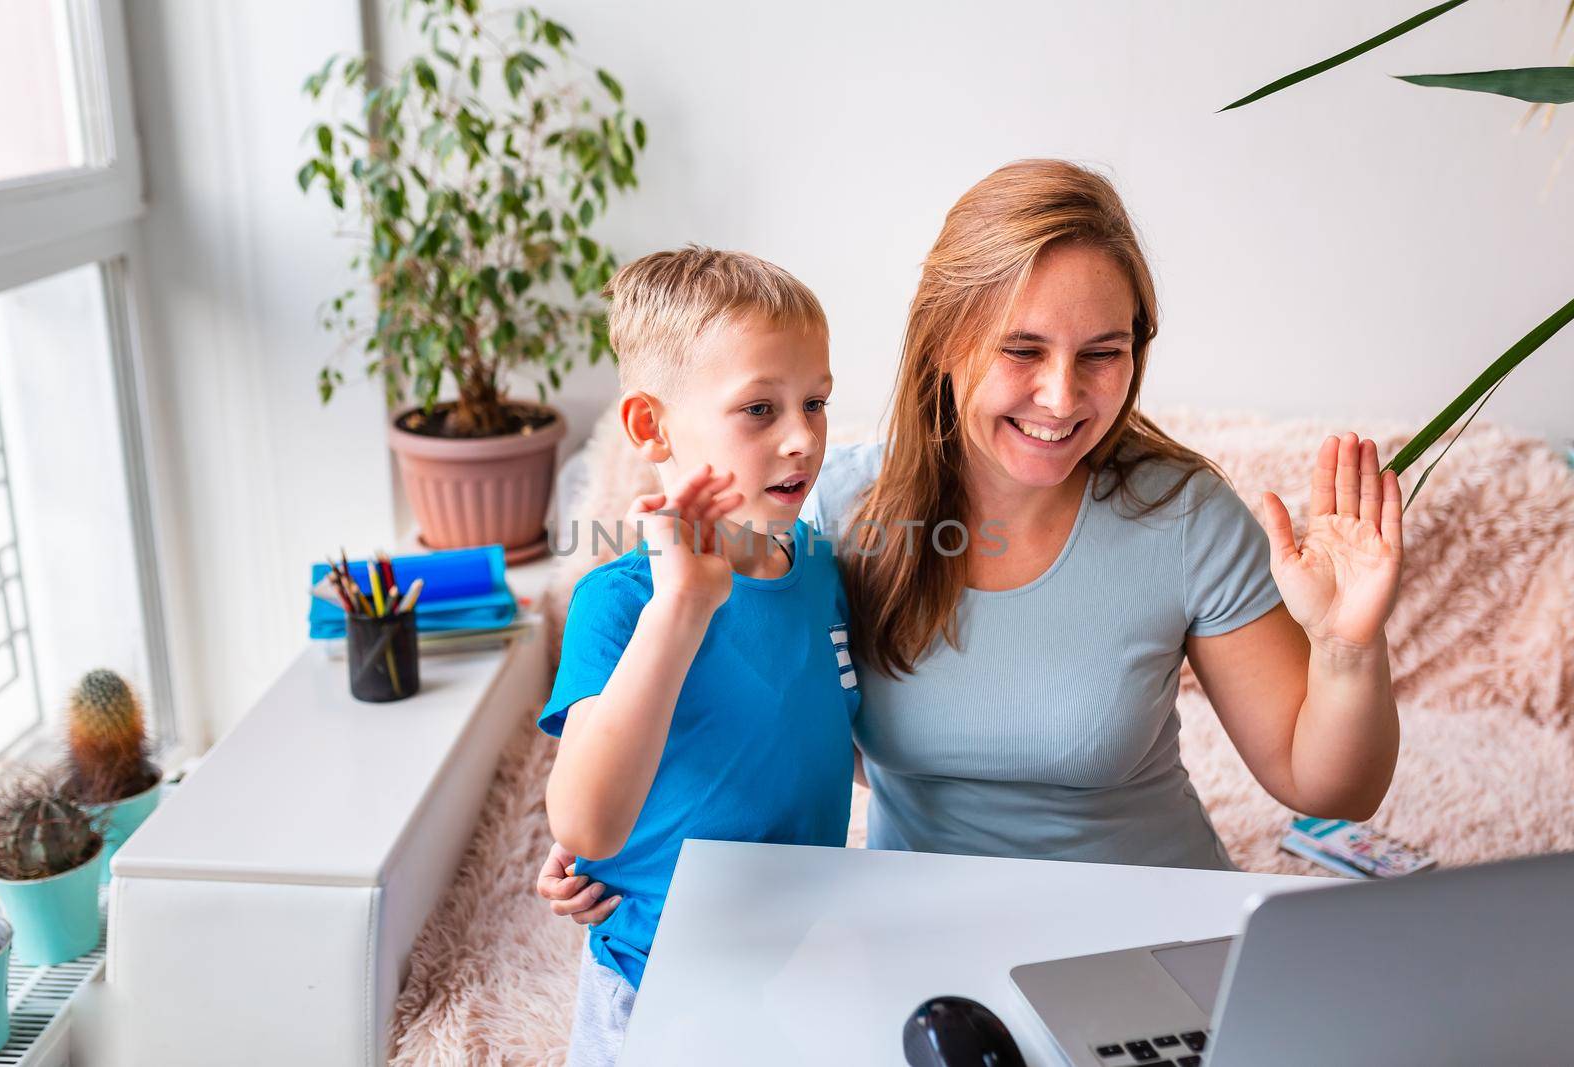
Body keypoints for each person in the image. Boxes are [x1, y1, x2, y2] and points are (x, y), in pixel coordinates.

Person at [540, 159, 1401, 918]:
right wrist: (628, 840)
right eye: (1022, 349)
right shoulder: (835, 511)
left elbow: (1328, 785)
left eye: (1102, 352)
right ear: (945, 340)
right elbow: (766, 713)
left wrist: (1346, 648)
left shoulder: (1185, 514)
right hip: (921, 936)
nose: (1062, 397)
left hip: (1148, 925)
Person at [539, 246, 860, 1067]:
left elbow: (824, 732)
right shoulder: (619, 603)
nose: (802, 437)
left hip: (798, 963)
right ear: (652, 426)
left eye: (815, 402)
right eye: (759, 409)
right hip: (659, 985)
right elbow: (582, 820)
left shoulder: (821, 564)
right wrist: (680, 604)